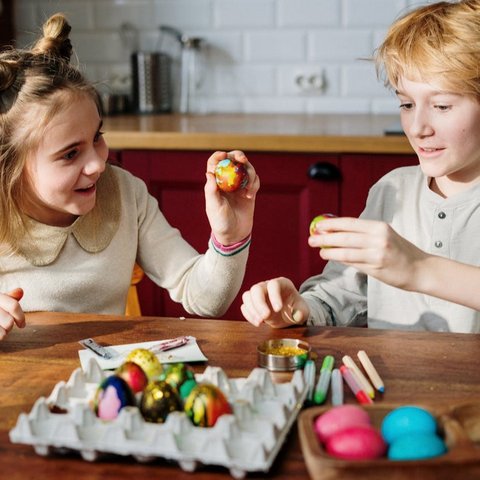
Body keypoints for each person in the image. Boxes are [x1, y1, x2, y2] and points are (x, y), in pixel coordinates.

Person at [0, 13, 259, 340]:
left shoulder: (125, 193)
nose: (97, 164)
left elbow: (204, 298)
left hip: (103, 384)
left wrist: (230, 235)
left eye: (97, 137)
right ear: (10, 166)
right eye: (70, 154)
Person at [241, 0, 480, 332]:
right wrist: (303, 307)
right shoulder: (391, 191)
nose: (418, 127)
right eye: (407, 104)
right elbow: (345, 294)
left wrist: (418, 268)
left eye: (441, 105)